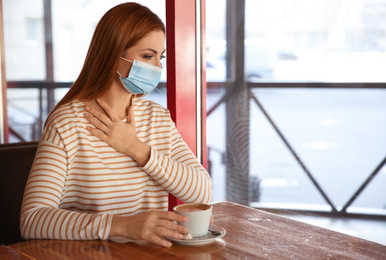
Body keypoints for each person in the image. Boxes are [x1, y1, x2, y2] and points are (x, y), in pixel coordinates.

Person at [20, 2, 213, 248]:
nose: (157, 67)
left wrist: (135, 148)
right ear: (114, 54)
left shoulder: (157, 117)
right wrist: (122, 225)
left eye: (160, 57)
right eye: (147, 55)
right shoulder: (67, 122)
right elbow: (32, 219)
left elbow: (203, 193)